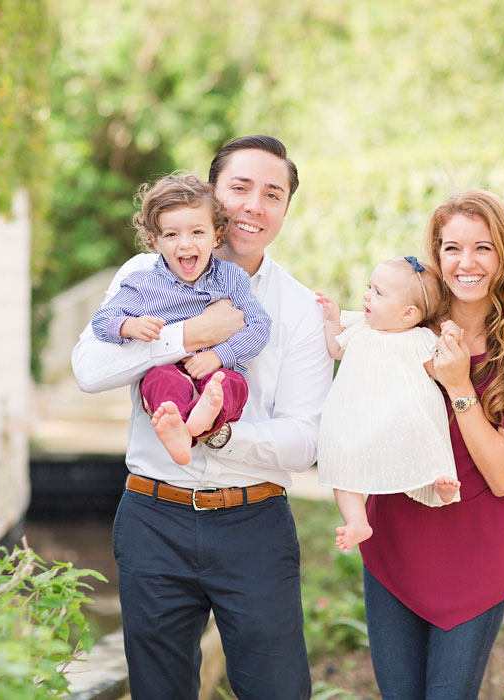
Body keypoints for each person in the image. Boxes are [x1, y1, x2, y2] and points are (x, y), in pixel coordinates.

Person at [71, 135, 333, 700]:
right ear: (213, 195)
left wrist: (217, 433)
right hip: (152, 517)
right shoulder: (141, 274)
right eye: (239, 188)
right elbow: (89, 369)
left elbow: (305, 439)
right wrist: (184, 336)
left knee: (278, 691)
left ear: (286, 209)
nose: (253, 207)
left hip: (253, 525)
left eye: (273, 194)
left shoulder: (296, 308)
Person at [359, 190, 504, 699]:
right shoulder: (405, 328)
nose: (465, 263)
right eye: (451, 248)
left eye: (483, 249)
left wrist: (459, 388)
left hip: (479, 553)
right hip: (396, 541)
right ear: (436, 255)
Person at [89, 173, 271, 466]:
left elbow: (259, 326)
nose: (185, 245)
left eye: (197, 232)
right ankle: (178, 426)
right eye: (172, 235)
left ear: (217, 235)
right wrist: (129, 325)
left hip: (216, 369)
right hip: (169, 370)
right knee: (159, 379)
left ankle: (200, 422)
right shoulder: (143, 284)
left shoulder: (232, 278)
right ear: (154, 240)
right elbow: (102, 320)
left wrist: (219, 355)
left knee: (231, 385)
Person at [314, 256, 460, 555]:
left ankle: (441, 483)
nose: (367, 295)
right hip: (357, 419)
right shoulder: (359, 328)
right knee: (343, 463)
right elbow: (335, 348)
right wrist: (331, 319)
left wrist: (450, 342)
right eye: (370, 287)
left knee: (425, 433)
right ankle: (357, 521)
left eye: (379, 293)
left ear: (408, 313)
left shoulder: (419, 339)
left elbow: (440, 371)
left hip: (401, 415)